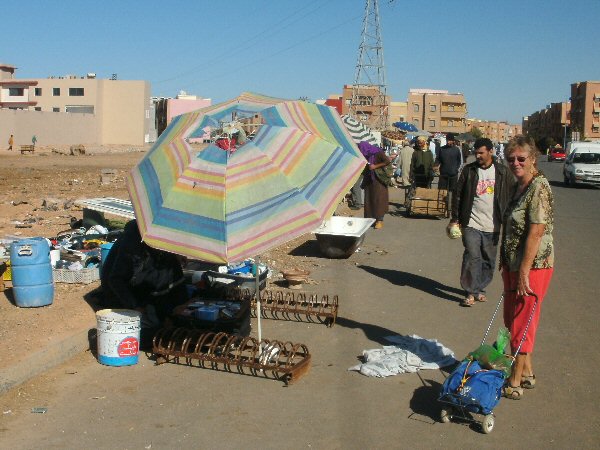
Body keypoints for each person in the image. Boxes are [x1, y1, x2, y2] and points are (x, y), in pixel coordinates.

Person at [500, 136, 554, 400]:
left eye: (521, 158)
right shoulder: (519, 185)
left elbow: (536, 231)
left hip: (532, 267)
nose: (516, 163)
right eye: (511, 159)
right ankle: (528, 371)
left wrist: (523, 270)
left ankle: (515, 380)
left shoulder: (539, 187)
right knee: (513, 318)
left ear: (533, 158)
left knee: (522, 321)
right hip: (513, 264)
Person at [450, 137, 514, 307]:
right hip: (471, 222)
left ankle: (480, 288)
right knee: (472, 255)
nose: (477, 156)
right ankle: (470, 291)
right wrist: (455, 219)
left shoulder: (502, 172)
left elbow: (512, 196)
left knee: (488, 260)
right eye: (476, 152)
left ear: (490, 151)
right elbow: (458, 194)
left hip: (493, 225)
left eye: (481, 152)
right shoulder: (469, 171)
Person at [101, 220, 188, 332]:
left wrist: (175, 252)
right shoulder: (133, 247)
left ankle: (173, 311)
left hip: (143, 285)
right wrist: (135, 306)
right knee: (150, 328)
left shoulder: (159, 242)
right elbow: (115, 280)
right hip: (121, 293)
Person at [359, 141, 391, 229]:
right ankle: (369, 220)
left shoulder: (378, 152)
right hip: (369, 180)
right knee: (369, 200)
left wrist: (375, 166)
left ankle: (379, 220)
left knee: (379, 200)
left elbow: (387, 161)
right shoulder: (366, 155)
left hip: (379, 180)